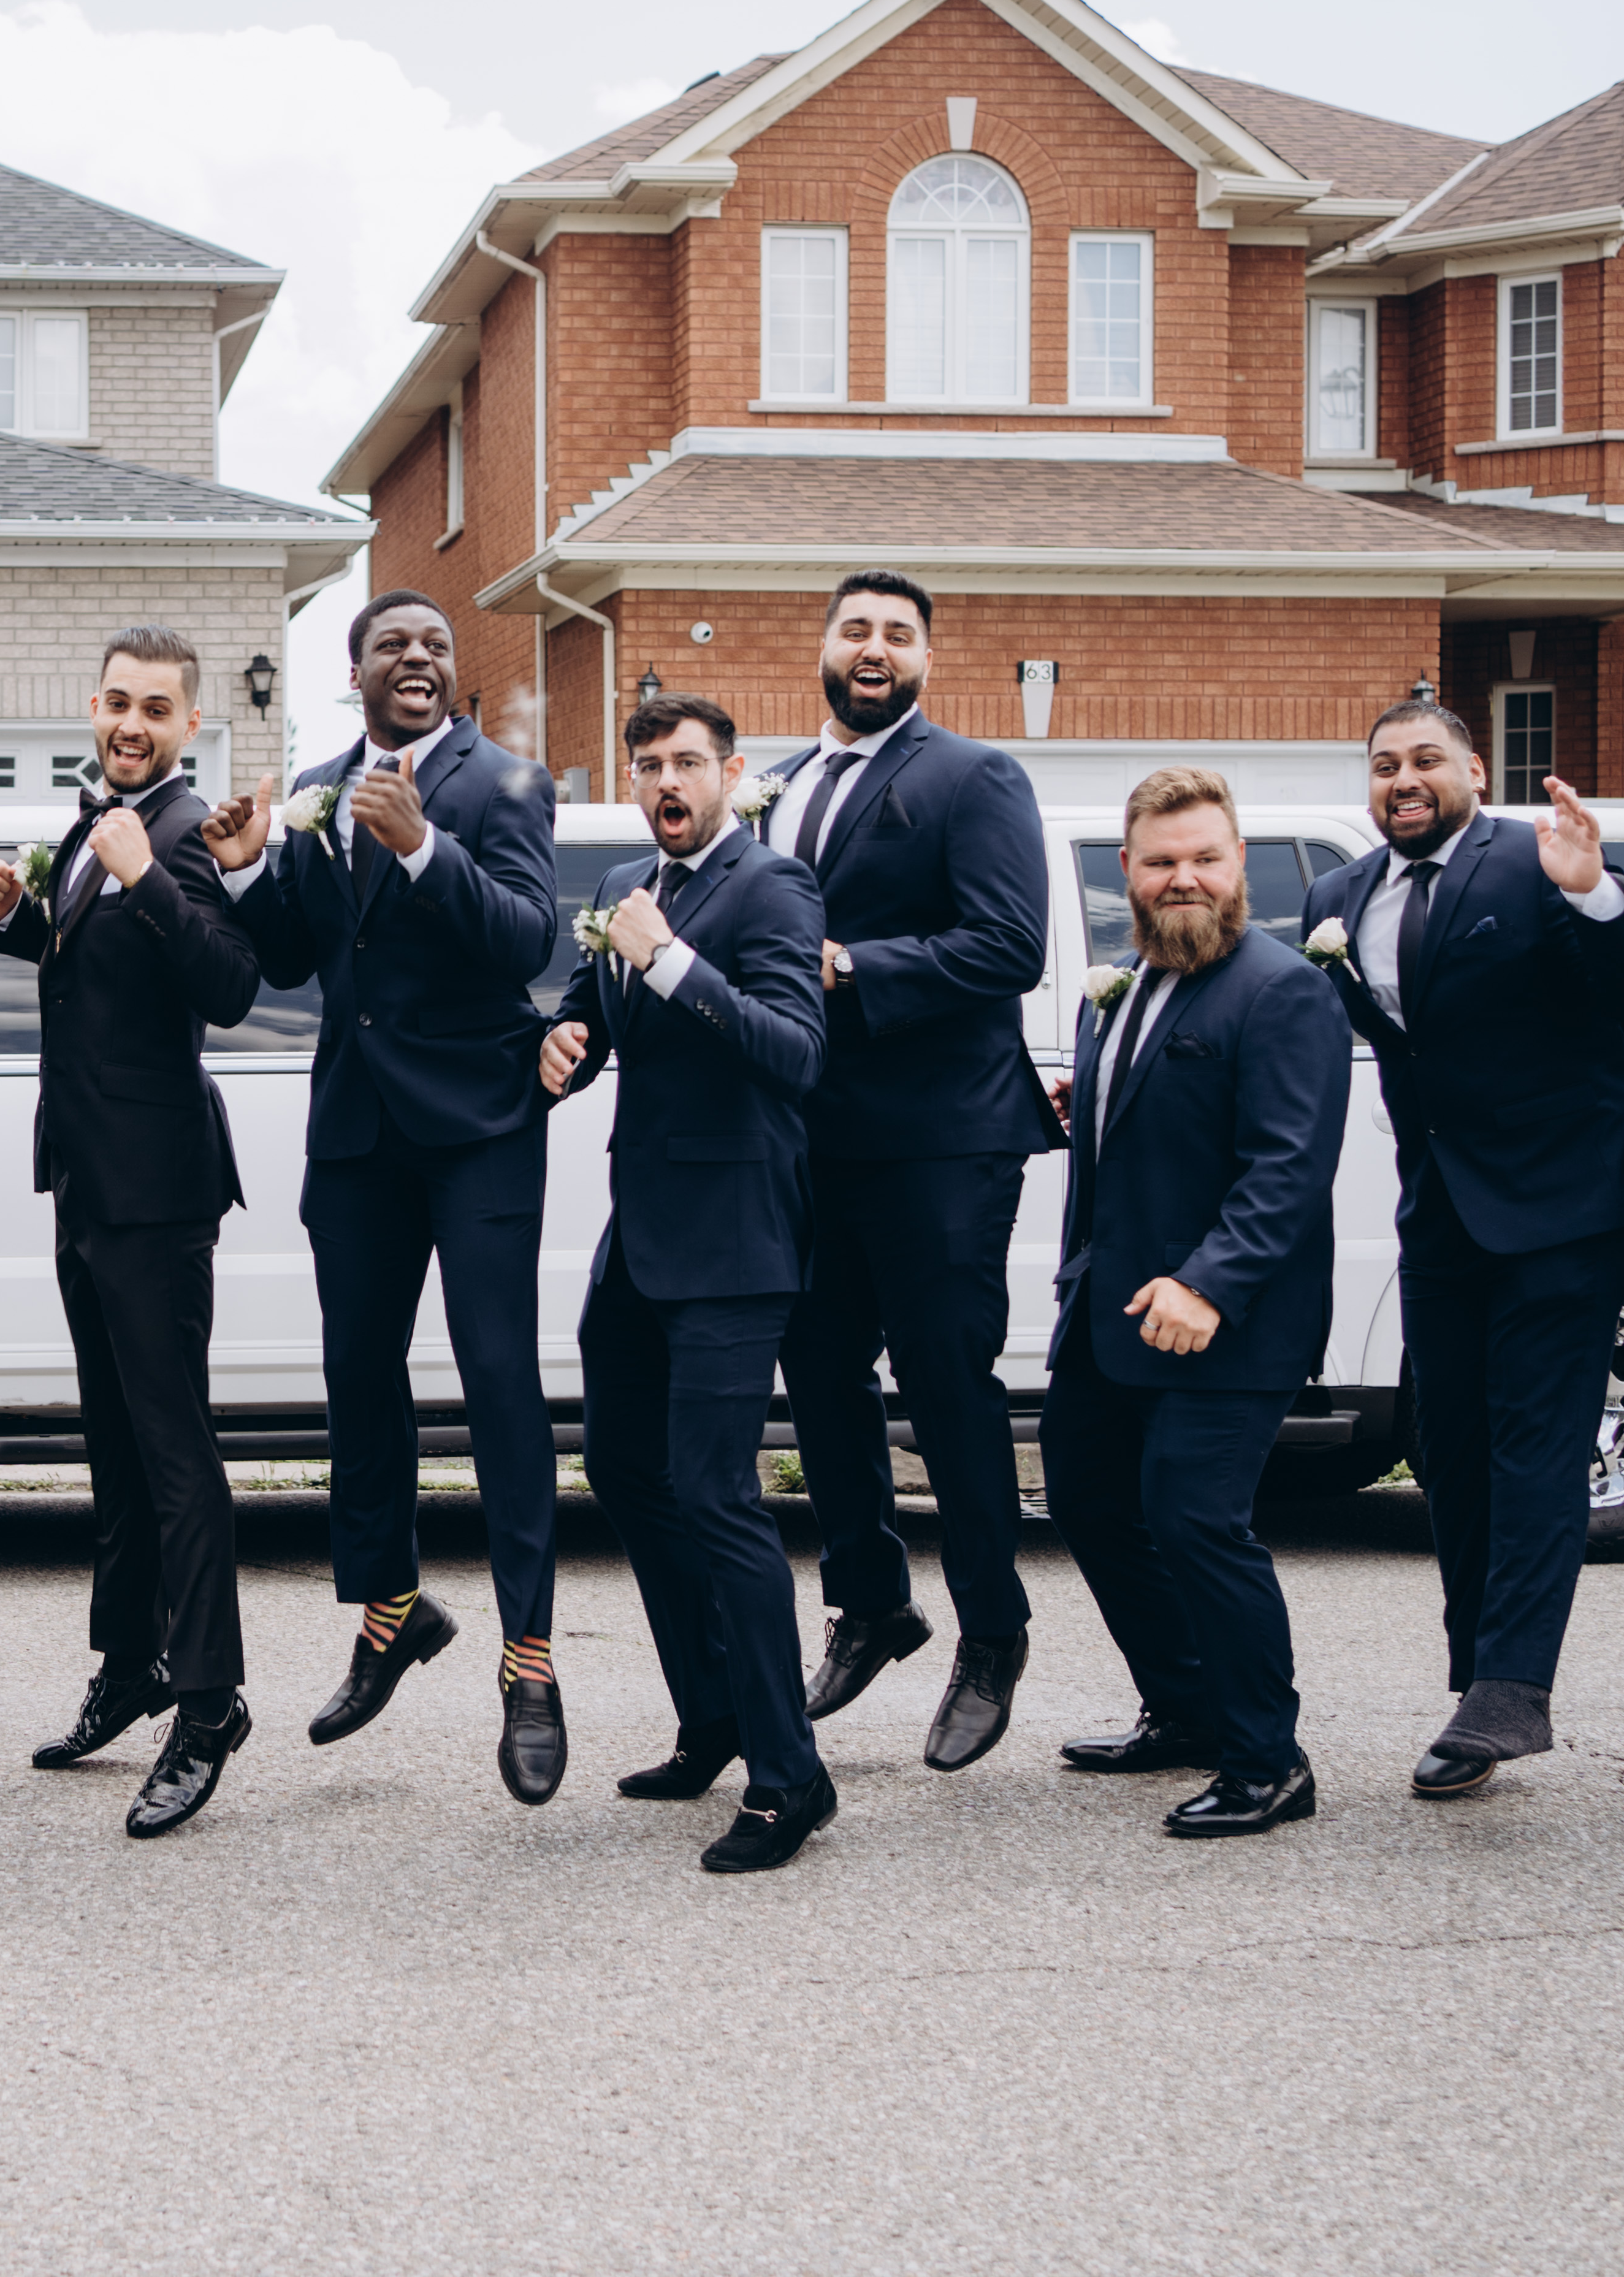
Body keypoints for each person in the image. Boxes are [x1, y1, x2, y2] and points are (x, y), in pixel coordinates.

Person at [200, 590, 568, 1804]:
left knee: (498, 1383)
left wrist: (420, 848)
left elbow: (525, 942)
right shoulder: (315, 788)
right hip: (356, 1133)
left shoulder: (503, 785)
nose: (417, 657)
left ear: (453, 674)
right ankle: (390, 1611)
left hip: (478, 1132)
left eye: (435, 644)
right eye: (391, 645)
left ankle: (529, 1658)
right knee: (359, 1380)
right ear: (354, 672)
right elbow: (296, 960)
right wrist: (247, 877)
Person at [1303, 704, 1624, 1798]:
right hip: (1442, 1209)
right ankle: (1480, 1674)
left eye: (1425, 760)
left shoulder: (1535, 861)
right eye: (1384, 764)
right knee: (1451, 1445)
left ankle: (1512, 1690)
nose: (1403, 779)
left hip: (1571, 1199)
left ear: (1474, 769)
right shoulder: (1339, 899)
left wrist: (1596, 895)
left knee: (1534, 1441)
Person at [757, 573, 1057, 1771]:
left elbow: (1009, 943)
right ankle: (870, 1603)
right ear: (822, 648)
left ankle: (991, 1633)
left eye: (896, 633)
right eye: (854, 629)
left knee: (943, 1386)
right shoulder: (774, 784)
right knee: (818, 1375)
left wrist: (851, 967)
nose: (872, 647)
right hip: (807, 1137)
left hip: (942, 1140)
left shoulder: (972, 777)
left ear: (925, 658)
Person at [539, 695, 834, 1872]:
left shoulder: (773, 889)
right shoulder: (625, 882)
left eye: (687, 763)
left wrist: (667, 961)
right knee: (621, 1467)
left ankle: (789, 1776)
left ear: (731, 773)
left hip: (734, 1243)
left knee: (716, 1496)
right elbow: (591, 1013)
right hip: (641, 1238)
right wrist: (563, 1042)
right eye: (649, 765)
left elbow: (794, 1052)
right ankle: (710, 1714)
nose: (667, 782)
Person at [0, 627, 264, 1838]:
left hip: (157, 1191)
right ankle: (128, 1666)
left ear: (188, 723)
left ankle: (207, 1704)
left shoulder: (180, 832)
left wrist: (147, 877)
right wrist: (17, 918)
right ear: (90, 707)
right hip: (84, 1181)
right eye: (115, 702)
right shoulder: (96, 824)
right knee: (112, 1449)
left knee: (174, 1454)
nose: (130, 723)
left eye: (154, 708)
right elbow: (93, 978)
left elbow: (231, 987)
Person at [1042, 768, 1346, 1839]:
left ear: (1238, 866)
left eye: (1205, 859)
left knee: (1195, 1521)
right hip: (1111, 1310)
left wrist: (1209, 1281)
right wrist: (1083, 1103)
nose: (1185, 879)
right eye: (1162, 861)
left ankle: (1267, 1759)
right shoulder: (1124, 983)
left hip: (1230, 1318)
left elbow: (1287, 1165)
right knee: (1087, 1502)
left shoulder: (1281, 989)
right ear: (1127, 870)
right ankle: (1185, 1709)